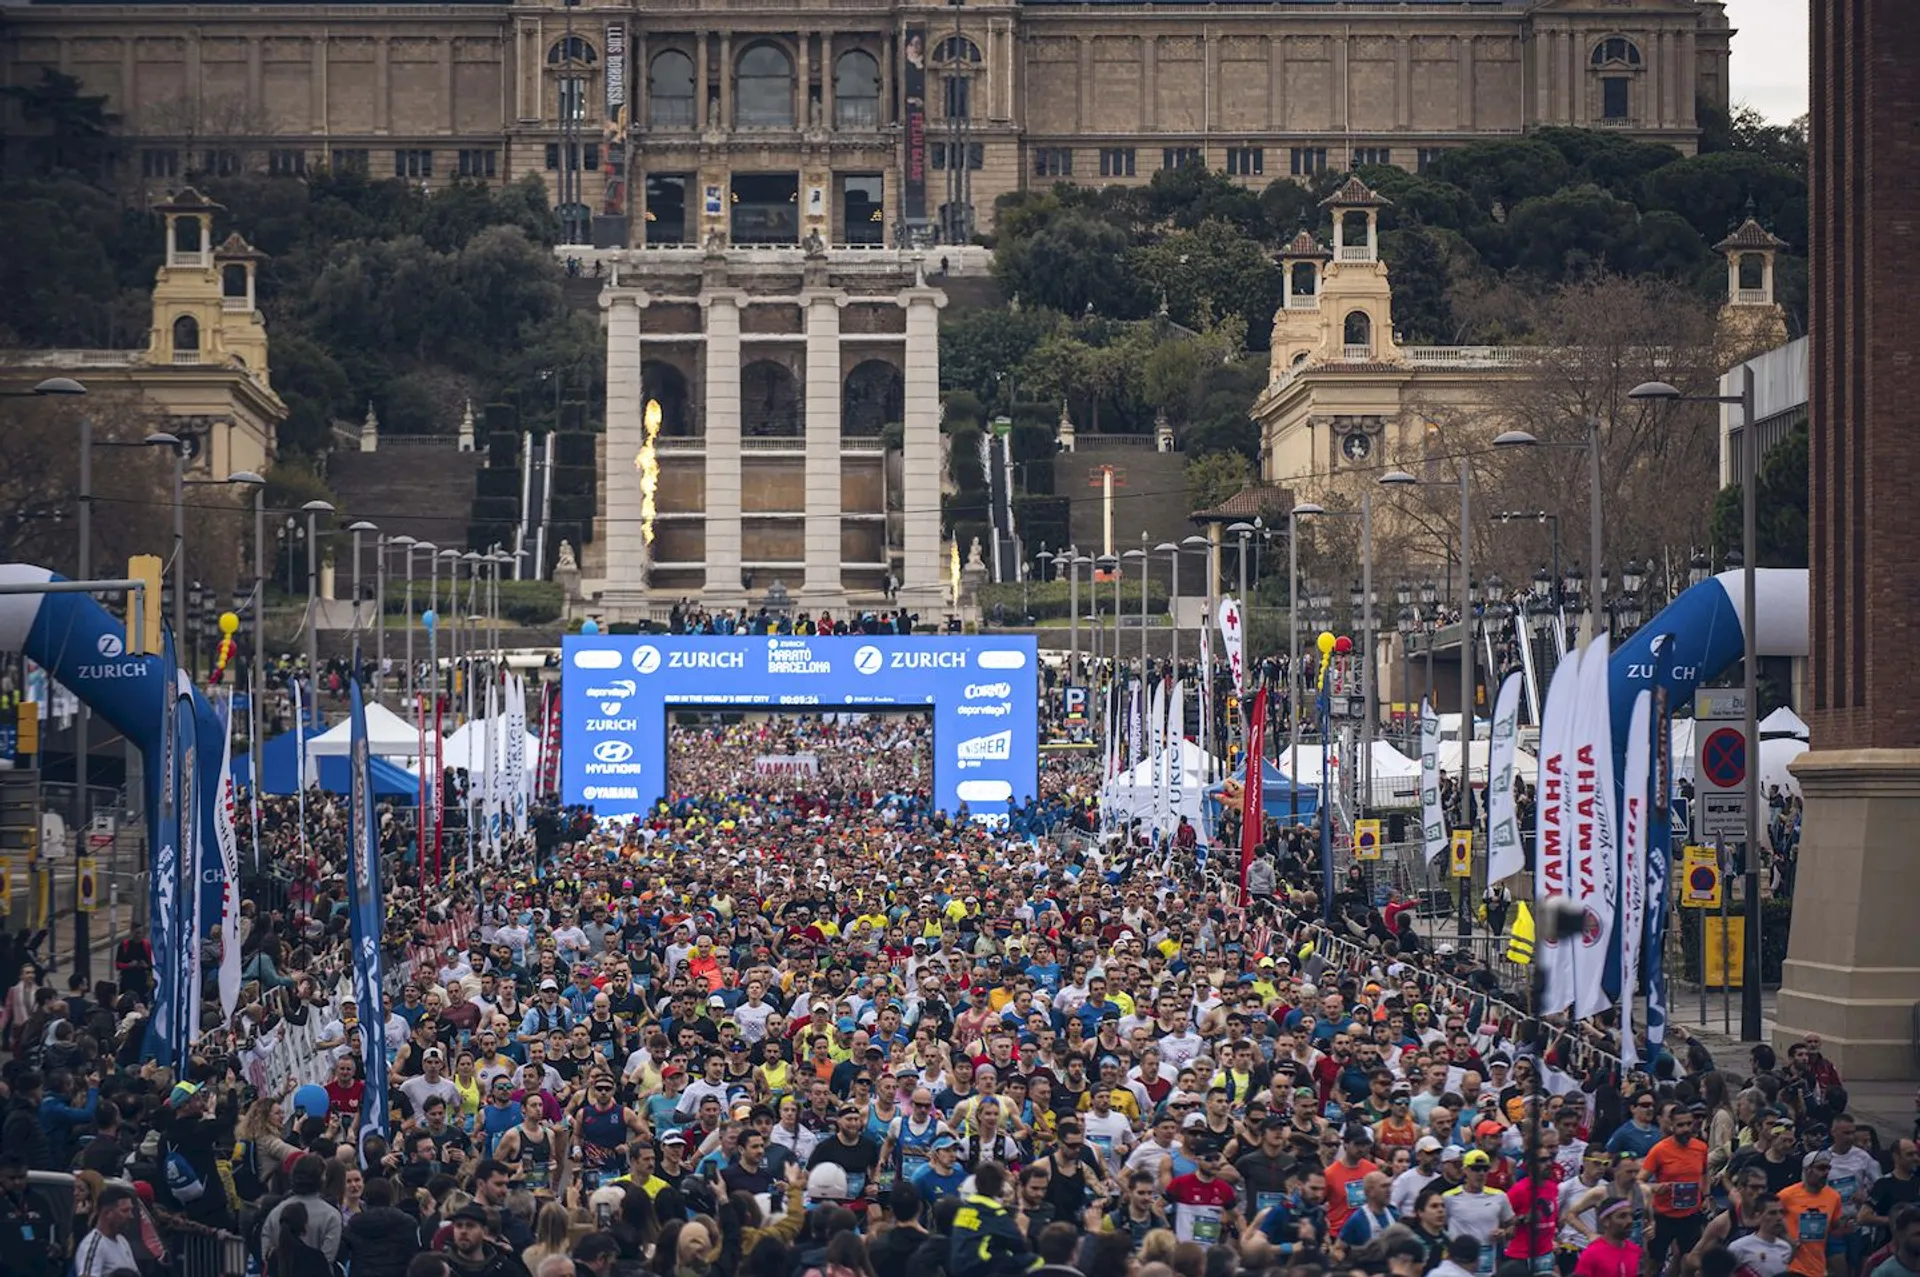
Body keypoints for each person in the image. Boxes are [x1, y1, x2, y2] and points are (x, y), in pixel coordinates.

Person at [1646, 1104, 1714, 1272]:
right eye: (1680, 1125)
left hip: (1690, 1216)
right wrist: (1656, 1187)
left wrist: (1705, 1196)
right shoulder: (1659, 1150)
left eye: (1688, 1124)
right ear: (1671, 1126)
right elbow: (1639, 1181)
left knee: (1689, 1261)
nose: (1685, 1129)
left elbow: (1705, 1173)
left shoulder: (1701, 1147)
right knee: (1655, 1262)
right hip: (1664, 1216)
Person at [1777, 1151, 1846, 1277]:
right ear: (1807, 1170)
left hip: (1817, 1265)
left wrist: (1846, 1227)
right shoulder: (1786, 1195)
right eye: (1821, 1168)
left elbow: (1834, 1230)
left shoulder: (1834, 1197)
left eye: (1828, 1168)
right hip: (1791, 1265)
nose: (1826, 1172)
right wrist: (1787, 1239)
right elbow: (1769, 1222)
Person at [71, 1184, 141, 1277]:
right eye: (125, 1211)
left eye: (130, 1210)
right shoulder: (93, 1246)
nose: (131, 1216)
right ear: (108, 1213)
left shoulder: (122, 1241)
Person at [1726, 1194, 1797, 1277]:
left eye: (1781, 1212)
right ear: (1758, 1216)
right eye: (1772, 1213)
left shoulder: (1785, 1247)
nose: (1779, 1217)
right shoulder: (1739, 1247)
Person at [1573, 1200, 1643, 1277]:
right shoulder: (1592, 1254)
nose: (1630, 1221)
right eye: (1622, 1216)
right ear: (1606, 1221)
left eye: (1631, 1216)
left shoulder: (1636, 1250)